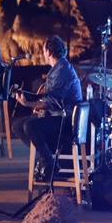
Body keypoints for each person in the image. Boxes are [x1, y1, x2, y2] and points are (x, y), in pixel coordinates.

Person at [17, 35, 83, 181]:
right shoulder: (59, 67)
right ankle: (45, 156)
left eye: (44, 49)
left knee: (30, 125)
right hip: (59, 115)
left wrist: (27, 104)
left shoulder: (62, 70)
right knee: (18, 125)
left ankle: (49, 163)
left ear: (49, 51)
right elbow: (50, 95)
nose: (43, 52)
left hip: (66, 120)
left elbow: (52, 102)